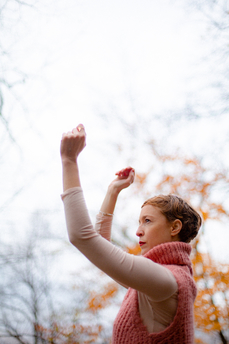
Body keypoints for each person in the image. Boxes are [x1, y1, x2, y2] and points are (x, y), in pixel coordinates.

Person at [60, 124, 202, 344]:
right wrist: (112, 192)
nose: (138, 230)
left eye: (147, 221)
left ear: (174, 228)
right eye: (139, 221)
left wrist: (69, 161)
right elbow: (100, 248)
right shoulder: (159, 280)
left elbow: (83, 237)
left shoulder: (167, 281)